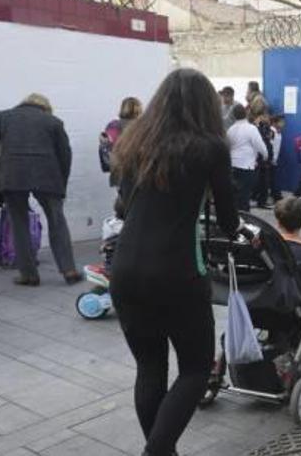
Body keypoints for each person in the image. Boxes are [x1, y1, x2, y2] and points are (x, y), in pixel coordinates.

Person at [108, 68, 242, 456]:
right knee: (196, 369)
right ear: (205, 105)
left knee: (150, 367)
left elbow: (122, 204)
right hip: (176, 273)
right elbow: (230, 218)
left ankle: (161, 450)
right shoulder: (211, 148)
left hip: (126, 269)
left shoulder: (136, 143)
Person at [0, 94, 80, 286]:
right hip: (48, 176)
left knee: (19, 223)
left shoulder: (2, 117)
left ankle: (29, 275)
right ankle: (69, 271)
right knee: (57, 221)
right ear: (45, 108)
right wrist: (61, 185)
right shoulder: (54, 122)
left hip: (13, 176)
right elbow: (65, 155)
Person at [227, 104, 268, 211]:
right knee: (244, 196)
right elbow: (261, 146)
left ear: (233, 116)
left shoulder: (230, 130)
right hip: (247, 167)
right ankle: (244, 218)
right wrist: (265, 156)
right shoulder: (251, 129)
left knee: (235, 195)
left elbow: (227, 147)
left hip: (232, 166)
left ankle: (235, 217)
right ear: (246, 113)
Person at [100, 97, 142, 185]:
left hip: (120, 174)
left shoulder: (113, 126)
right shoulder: (144, 125)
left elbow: (109, 146)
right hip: (141, 173)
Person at [248, 100, 274, 209]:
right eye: (263, 114)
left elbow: (268, 138)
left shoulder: (265, 125)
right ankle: (254, 199)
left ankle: (262, 201)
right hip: (258, 156)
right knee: (256, 180)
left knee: (264, 180)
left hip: (265, 155)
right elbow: (257, 140)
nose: (266, 116)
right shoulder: (253, 125)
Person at [268, 114, 285, 203]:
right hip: (270, 159)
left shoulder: (279, 132)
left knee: (273, 178)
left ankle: (274, 194)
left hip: (274, 159)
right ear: (275, 123)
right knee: (273, 178)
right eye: (281, 122)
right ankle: (276, 195)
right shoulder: (271, 132)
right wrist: (271, 159)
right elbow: (269, 146)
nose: (283, 124)